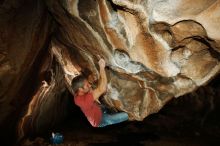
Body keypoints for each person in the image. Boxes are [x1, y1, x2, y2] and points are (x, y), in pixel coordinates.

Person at [71, 58, 129, 127]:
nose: (90, 85)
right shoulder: (85, 101)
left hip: (99, 109)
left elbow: (99, 90)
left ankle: (107, 110)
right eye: (87, 85)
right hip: (100, 120)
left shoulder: (78, 94)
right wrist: (101, 67)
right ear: (80, 89)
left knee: (109, 108)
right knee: (126, 115)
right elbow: (102, 89)